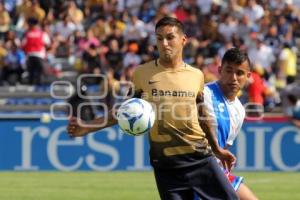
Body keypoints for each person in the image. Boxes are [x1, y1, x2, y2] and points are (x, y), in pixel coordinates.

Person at [67, 17, 238, 200]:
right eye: (159, 38)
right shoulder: (142, 73)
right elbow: (122, 111)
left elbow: (202, 115)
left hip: (200, 160)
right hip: (166, 166)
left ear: (183, 40)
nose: (164, 43)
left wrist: (217, 149)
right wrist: (87, 127)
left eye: (170, 37)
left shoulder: (196, 75)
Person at [200, 48, 258, 200]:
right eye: (228, 71)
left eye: (239, 73)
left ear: (248, 76)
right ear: (220, 70)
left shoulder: (239, 110)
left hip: (217, 173)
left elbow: (223, 147)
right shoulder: (204, 94)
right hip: (196, 173)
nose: (233, 78)